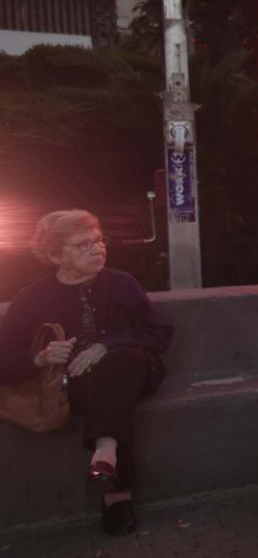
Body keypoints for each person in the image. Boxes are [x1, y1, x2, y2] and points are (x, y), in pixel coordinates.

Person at [0, 211, 172, 535]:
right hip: (71, 387)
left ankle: (110, 474)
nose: (98, 249)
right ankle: (110, 475)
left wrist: (106, 345)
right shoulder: (31, 298)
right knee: (110, 397)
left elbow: (159, 332)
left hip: (132, 371)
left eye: (99, 240)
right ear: (55, 254)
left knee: (118, 364)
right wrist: (40, 358)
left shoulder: (122, 283)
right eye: (83, 245)